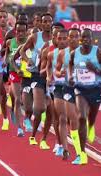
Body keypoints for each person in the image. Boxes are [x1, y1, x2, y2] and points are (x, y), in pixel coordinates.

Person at [68, 28, 101, 165]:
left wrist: (95, 69)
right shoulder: (74, 53)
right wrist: (70, 76)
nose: (85, 40)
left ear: (92, 39)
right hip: (80, 88)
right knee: (81, 116)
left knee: (91, 116)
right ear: (80, 39)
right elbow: (70, 65)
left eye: (88, 37)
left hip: (95, 88)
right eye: (83, 38)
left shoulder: (98, 53)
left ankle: (92, 126)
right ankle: (82, 153)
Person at [19, 13, 53, 145]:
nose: (46, 24)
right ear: (41, 23)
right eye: (44, 21)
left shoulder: (55, 38)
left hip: (50, 76)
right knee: (37, 108)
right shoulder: (34, 37)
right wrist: (28, 60)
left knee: (51, 110)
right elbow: (22, 51)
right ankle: (32, 126)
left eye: (49, 21)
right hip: (35, 74)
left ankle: (46, 137)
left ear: (51, 23)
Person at [55, 27, 82, 163]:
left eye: (76, 36)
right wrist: (61, 74)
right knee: (67, 118)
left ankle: (79, 149)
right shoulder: (62, 54)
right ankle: (69, 150)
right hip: (67, 89)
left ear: (80, 38)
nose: (73, 39)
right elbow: (57, 70)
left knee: (77, 119)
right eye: (71, 36)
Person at [41, 23, 65, 152]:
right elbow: (43, 70)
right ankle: (59, 143)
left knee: (68, 117)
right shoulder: (48, 51)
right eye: (55, 36)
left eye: (61, 36)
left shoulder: (71, 51)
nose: (58, 38)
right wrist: (49, 76)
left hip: (69, 86)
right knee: (57, 117)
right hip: (54, 88)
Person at [6, 21, 29, 136]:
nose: (20, 33)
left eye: (23, 31)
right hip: (14, 72)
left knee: (26, 101)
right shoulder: (10, 42)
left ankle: (26, 117)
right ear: (15, 31)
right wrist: (8, 64)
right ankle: (20, 128)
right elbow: (8, 57)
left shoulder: (30, 43)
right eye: (18, 31)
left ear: (26, 32)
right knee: (18, 99)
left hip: (27, 74)